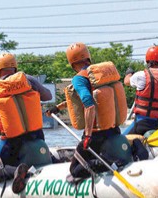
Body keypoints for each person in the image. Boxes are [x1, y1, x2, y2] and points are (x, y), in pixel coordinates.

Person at [48, 42, 132, 180]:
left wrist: (87, 135)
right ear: (88, 57)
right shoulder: (100, 74)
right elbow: (87, 98)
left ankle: (106, 163)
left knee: (75, 170)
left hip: (96, 136)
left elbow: (89, 104)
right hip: (114, 130)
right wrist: (58, 108)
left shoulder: (79, 78)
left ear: (72, 63)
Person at [0, 53, 52, 193]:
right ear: (15, 67)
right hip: (37, 136)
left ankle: (17, 171)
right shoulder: (29, 80)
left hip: (13, 142)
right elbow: (48, 96)